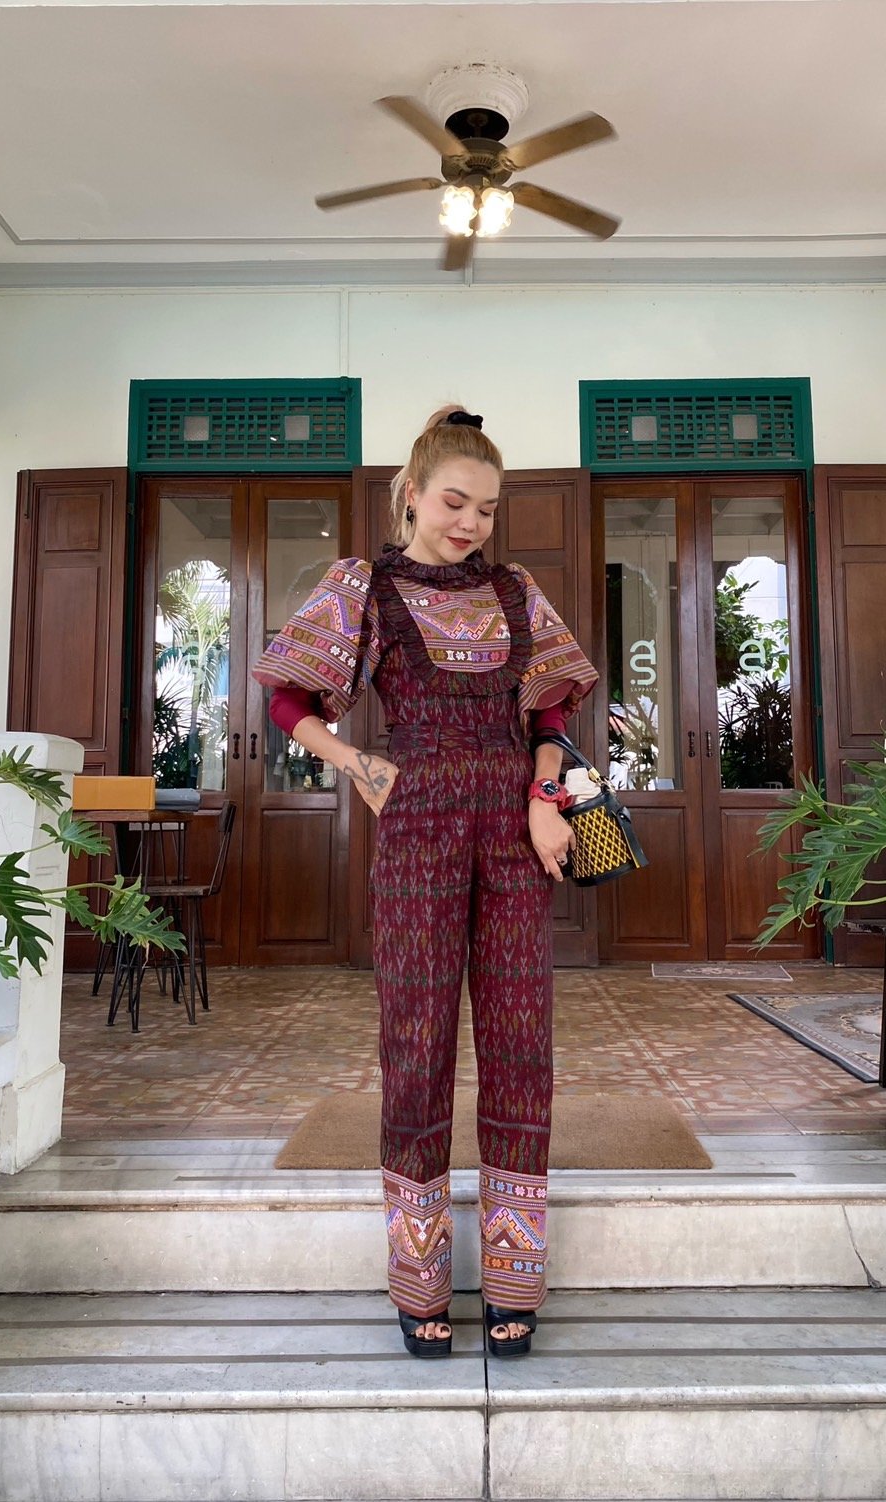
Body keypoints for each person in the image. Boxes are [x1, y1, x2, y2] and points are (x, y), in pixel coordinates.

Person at [251, 405, 597, 1358]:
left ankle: (516, 1276)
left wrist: (544, 796)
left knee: (521, 1041)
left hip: (516, 828)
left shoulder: (517, 592)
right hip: (417, 828)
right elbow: (288, 696)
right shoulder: (361, 586)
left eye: (487, 509)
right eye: (454, 502)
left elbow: (552, 711)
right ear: (411, 495)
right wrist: (355, 763)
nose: (471, 523)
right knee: (416, 1044)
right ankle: (418, 1279)